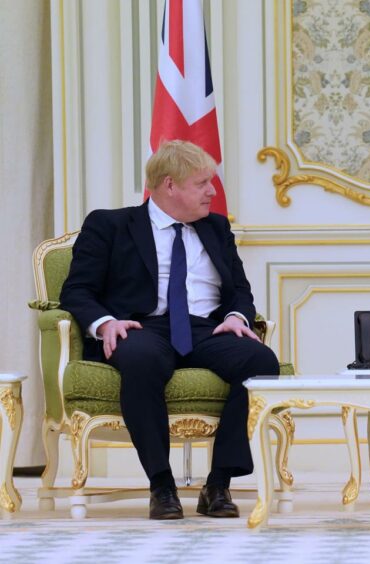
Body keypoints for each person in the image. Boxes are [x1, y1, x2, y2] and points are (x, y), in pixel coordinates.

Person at [60, 140, 279, 520]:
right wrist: (105, 322)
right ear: (169, 186)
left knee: (260, 362)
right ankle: (161, 485)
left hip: (206, 329)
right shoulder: (110, 224)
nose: (212, 191)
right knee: (141, 359)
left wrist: (236, 318)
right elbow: (76, 291)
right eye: (202, 183)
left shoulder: (216, 228)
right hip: (142, 327)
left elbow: (240, 290)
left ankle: (218, 483)